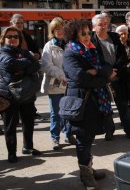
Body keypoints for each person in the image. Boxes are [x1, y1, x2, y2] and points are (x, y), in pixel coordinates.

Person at [63, 19, 114, 188]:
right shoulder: (71, 52)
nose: (86, 37)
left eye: (87, 33)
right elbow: (78, 77)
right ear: (74, 35)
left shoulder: (92, 49)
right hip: (80, 100)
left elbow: (107, 67)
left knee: (89, 137)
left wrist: (97, 72)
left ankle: (89, 169)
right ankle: (86, 176)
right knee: (83, 139)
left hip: (95, 99)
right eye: (82, 34)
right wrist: (102, 79)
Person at [91, 14, 130, 140]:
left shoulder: (114, 37)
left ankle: (129, 130)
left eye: (105, 24)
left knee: (123, 106)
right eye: (100, 25)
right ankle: (109, 130)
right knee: (105, 107)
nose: (103, 27)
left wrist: (115, 70)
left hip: (118, 76)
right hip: (102, 78)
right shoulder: (91, 40)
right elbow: (93, 60)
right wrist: (108, 71)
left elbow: (123, 55)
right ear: (94, 27)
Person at [0, 26, 42, 163]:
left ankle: (28, 147)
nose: (13, 39)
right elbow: (10, 64)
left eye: (15, 36)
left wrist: (24, 66)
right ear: (3, 39)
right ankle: (11, 153)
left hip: (26, 93)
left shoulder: (23, 51)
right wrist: (27, 63)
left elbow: (36, 65)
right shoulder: (2, 53)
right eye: (9, 37)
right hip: (8, 95)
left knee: (28, 122)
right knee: (10, 125)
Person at [41, 17, 75, 150]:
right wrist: (63, 76)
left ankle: (68, 134)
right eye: (57, 29)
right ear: (52, 31)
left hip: (70, 84)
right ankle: (55, 138)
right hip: (55, 85)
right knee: (55, 113)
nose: (60, 32)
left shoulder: (70, 44)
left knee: (69, 112)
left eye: (62, 29)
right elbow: (47, 66)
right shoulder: (48, 46)